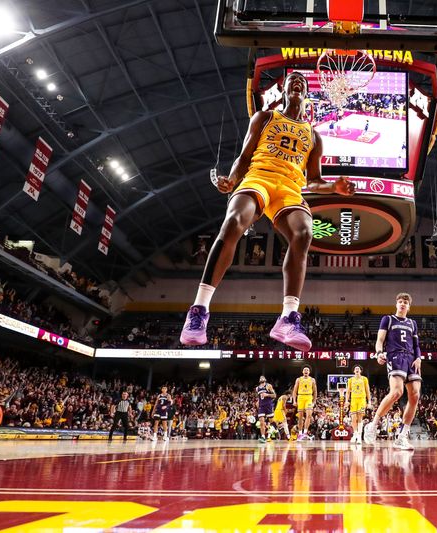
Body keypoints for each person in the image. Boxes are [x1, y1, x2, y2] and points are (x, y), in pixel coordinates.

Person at [179, 71, 355, 350]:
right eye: (291, 81)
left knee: (304, 233)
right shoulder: (265, 117)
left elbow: (314, 180)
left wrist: (334, 187)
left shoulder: (313, 135)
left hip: (289, 190)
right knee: (235, 221)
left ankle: (288, 317)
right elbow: (245, 156)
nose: (297, 82)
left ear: (306, 94)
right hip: (259, 179)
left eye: (302, 82)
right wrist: (233, 180)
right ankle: (198, 311)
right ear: (283, 91)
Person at [363, 293, 422, 451]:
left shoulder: (412, 323)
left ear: (409, 306)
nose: (403, 304)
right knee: (397, 392)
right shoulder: (388, 319)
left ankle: (402, 436)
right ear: (396, 304)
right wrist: (379, 353)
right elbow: (380, 340)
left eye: (406, 302)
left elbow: (416, 344)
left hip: (411, 359)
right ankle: (373, 424)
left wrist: (419, 358)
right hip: (395, 356)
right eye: (400, 302)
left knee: (415, 395)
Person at [344, 365, 371, 444]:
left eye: (358, 368)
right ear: (354, 371)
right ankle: (355, 434)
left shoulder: (364, 379)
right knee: (353, 418)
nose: (357, 369)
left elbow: (367, 390)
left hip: (362, 400)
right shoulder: (350, 380)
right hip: (353, 400)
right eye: (355, 369)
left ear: (360, 371)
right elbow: (348, 391)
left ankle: (359, 436)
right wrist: (346, 401)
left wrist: (369, 402)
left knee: (360, 418)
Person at [292, 365, 317, 441]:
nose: (306, 371)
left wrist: (314, 401)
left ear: (309, 372)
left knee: (309, 415)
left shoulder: (312, 380)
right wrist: (294, 400)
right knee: (300, 417)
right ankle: (300, 434)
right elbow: (294, 391)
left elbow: (315, 391)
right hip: (300, 397)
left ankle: (305, 433)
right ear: (302, 371)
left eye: (307, 370)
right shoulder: (298, 379)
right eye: (305, 370)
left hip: (309, 397)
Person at [256, 376, 277, 443]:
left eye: (263, 377)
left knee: (271, 421)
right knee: (261, 422)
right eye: (260, 377)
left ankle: (275, 427)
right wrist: (258, 402)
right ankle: (263, 437)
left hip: (268, 405)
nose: (261, 378)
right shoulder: (257, 388)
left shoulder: (268, 386)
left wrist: (267, 395)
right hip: (261, 406)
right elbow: (259, 397)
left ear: (265, 379)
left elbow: (274, 395)